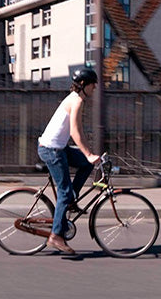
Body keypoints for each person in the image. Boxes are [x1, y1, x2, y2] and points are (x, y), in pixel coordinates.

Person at [36, 68, 100, 254]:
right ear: (84, 85)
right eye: (92, 84)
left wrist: (89, 154)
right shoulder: (77, 100)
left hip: (58, 148)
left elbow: (78, 131)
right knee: (64, 192)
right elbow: (75, 132)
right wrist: (88, 153)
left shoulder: (75, 98)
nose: (95, 87)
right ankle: (56, 236)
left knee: (87, 164)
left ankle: (70, 201)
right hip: (51, 150)